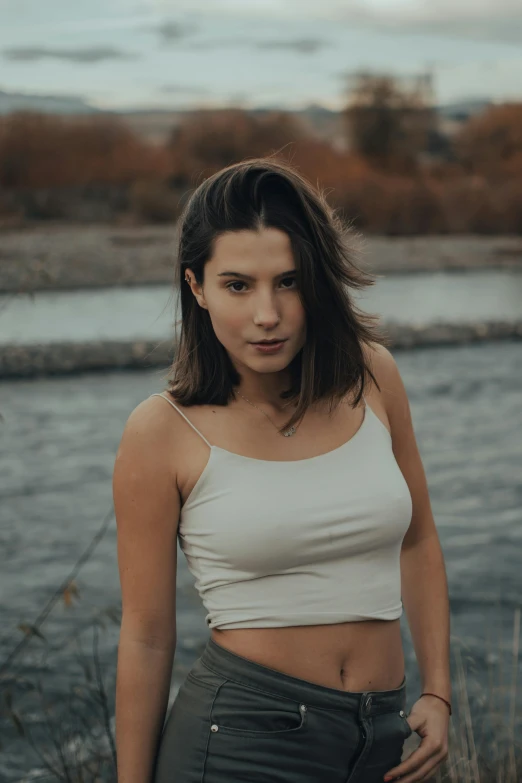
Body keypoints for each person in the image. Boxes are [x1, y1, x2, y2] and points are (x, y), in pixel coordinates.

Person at [112, 157, 451, 783]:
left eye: (288, 282)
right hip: (241, 740)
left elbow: (419, 538)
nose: (267, 314)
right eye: (238, 285)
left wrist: (438, 690)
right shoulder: (160, 431)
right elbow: (146, 634)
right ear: (197, 288)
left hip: (381, 738)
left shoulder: (373, 376)